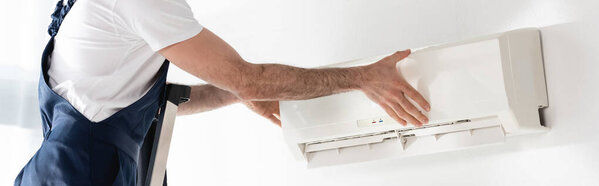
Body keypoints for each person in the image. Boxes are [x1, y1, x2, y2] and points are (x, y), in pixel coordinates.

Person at [15, 0, 430, 185]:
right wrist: (362, 78)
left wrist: (236, 95)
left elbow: (156, 101)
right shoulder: (140, 2)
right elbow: (247, 76)